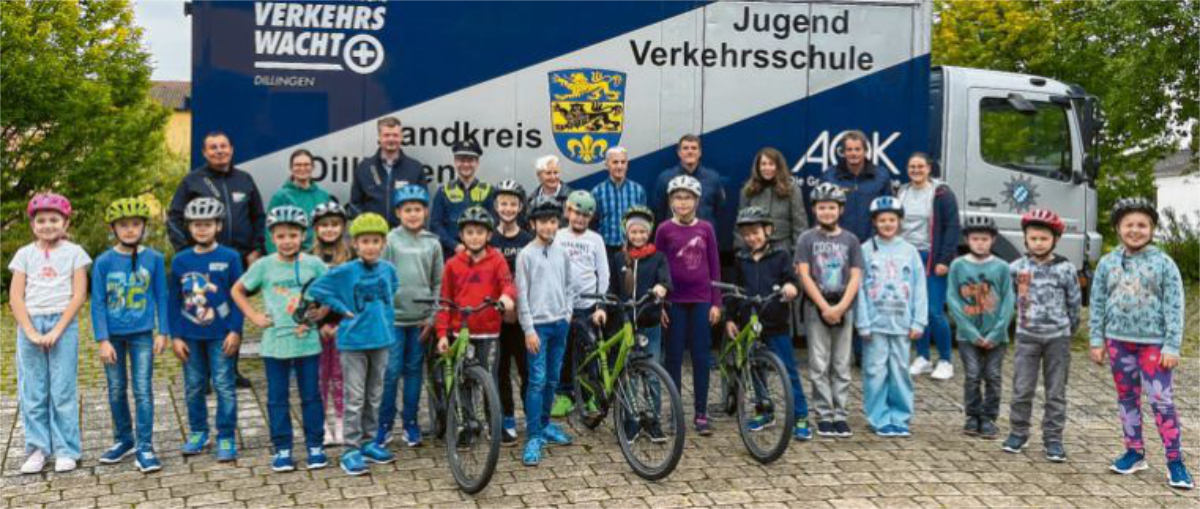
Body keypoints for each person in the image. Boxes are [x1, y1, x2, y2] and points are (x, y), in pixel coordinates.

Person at [1089, 198, 1192, 489]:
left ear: (1152, 229)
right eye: (1129, 225)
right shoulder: (1108, 263)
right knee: (1127, 398)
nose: (1135, 230)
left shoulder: (1164, 263)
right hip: (1118, 343)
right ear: (1118, 228)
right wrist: (1096, 339)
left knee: (1161, 400)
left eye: (1142, 225)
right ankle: (1134, 452)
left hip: (1154, 346)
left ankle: (1175, 461)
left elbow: (1174, 306)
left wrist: (1172, 346)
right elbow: (1097, 303)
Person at [231, 206, 330, 472]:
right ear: (272, 237)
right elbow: (237, 290)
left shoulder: (314, 264)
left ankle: (315, 446)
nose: (287, 241)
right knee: (277, 398)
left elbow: (333, 289)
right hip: (275, 344)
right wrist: (254, 316)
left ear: (303, 236)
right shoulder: (264, 265)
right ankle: (282, 447)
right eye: (281, 236)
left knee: (311, 396)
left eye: (293, 235)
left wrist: (323, 311)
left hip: (307, 342)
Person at [167, 131, 266, 388]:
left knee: (232, 309)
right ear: (204, 152)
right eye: (213, 147)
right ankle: (205, 374)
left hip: (239, 258)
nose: (219, 151)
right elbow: (174, 217)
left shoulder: (245, 179)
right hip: (202, 259)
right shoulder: (192, 181)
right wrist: (186, 251)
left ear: (231, 149)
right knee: (205, 310)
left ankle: (230, 369)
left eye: (223, 146)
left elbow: (259, 217)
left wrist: (257, 249)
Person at [306, 213, 402, 476]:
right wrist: (339, 307)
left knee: (374, 394)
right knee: (355, 396)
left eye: (375, 241)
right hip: (353, 343)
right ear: (355, 244)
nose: (370, 246)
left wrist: (383, 319)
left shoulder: (388, 269)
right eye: (365, 241)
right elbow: (317, 289)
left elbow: (392, 290)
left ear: (383, 243)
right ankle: (350, 448)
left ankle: (369, 441)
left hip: (382, 340)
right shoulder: (346, 271)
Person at [9, 193, 91, 474]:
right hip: (30, 324)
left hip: (63, 324)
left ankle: (67, 449)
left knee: (62, 389)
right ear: (33, 225)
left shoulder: (75, 253)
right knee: (33, 390)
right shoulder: (24, 255)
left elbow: (79, 295)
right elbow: (16, 297)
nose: (47, 225)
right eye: (41, 220)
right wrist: (30, 332)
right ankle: (38, 449)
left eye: (54, 219)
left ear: (65, 223)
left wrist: (57, 329)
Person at [92, 197, 171, 472]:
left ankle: (145, 447)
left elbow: (162, 295)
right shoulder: (103, 262)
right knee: (116, 389)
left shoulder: (154, 259)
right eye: (123, 225)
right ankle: (124, 440)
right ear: (113, 228)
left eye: (135, 224)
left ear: (143, 227)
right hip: (112, 337)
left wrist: (163, 332)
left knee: (143, 390)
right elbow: (97, 302)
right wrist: (102, 340)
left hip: (142, 336)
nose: (129, 230)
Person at [1003, 209, 1082, 460]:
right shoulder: (1016, 268)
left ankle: (1053, 439)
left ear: (1055, 240)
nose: (1038, 243)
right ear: (1025, 239)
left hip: (1057, 338)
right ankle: (1018, 432)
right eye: (1033, 238)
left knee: (1055, 391)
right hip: (1026, 337)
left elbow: (1074, 302)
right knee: (1022, 388)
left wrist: (1070, 329)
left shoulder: (1066, 269)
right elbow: (1007, 298)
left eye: (1044, 238)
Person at [169, 197, 243, 463]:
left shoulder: (230, 257)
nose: (202, 229)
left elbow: (239, 297)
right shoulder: (180, 260)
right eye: (196, 225)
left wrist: (235, 331)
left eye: (207, 224)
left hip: (221, 335)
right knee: (193, 386)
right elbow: (173, 300)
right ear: (189, 228)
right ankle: (199, 432)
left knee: (224, 385)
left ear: (218, 226)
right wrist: (175, 336)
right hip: (190, 336)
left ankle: (226, 435)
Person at [726, 207, 809, 441]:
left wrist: (791, 287)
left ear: (768, 230)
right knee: (755, 369)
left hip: (775, 323)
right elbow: (735, 291)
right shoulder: (741, 259)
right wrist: (730, 318)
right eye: (747, 234)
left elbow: (791, 280)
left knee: (788, 371)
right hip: (750, 323)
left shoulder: (780, 255)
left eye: (756, 232)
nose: (751, 238)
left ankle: (801, 417)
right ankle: (764, 411)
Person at [655, 175, 722, 436]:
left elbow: (715, 266)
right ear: (671, 201)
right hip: (674, 302)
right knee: (673, 357)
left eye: (688, 198)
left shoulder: (706, 228)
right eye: (678, 198)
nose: (682, 203)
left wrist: (716, 302)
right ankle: (675, 413)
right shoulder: (664, 230)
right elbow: (658, 267)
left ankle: (701, 413)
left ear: (696, 201)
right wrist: (660, 305)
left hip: (701, 300)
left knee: (701, 358)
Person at [854, 197, 926, 438]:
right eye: (882, 220)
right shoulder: (865, 250)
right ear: (874, 222)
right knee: (875, 372)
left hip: (902, 324)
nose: (887, 224)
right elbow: (859, 288)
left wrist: (919, 321)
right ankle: (879, 418)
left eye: (892, 220)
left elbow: (919, 288)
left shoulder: (910, 251)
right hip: (875, 324)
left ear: (899, 221)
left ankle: (900, 417)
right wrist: (863, 322)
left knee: (900, 371)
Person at [377, 185, 443, 449]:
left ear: (425, 212)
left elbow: (438, 282)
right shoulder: (390, 241)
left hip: (421, 321)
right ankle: (384, 424)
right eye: (407, 210)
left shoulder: (433, 242)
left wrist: (433, 316)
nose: (413, 214)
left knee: (414, 371)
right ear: (398, 213)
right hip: (394, 320)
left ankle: (411, 423)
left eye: (417, 209)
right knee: (391, 371)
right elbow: (381, 278)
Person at [795, 183, 862, 439]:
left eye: (831, 207)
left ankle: (840, 414)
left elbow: (856, 276)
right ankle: (824, 414)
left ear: (840, 209)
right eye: (822, 207)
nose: (827, 212)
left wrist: (842, 306)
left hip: (844, 307)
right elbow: (804, 275)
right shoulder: (806, 239)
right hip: (817, 308)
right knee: (819, 363)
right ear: (814, 210)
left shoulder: (851, 240)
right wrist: (824, 307)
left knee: (842, 364)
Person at [819, 131, 891, 365]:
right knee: (836, 297)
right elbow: (821, 210)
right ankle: (836, 356)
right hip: (837, 247)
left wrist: (880, 242)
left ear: (865, 150)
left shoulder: (880, 176)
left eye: (857, 149)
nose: (853, 154)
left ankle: (862, 354)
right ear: (843, 151)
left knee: (867, 300)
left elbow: (887, 213)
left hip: (871, 247)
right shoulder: (830, 175)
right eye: (849, 149)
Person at [515, 195, 575, 466]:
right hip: (537, 327)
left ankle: (546, 423)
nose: (548, 226)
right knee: (537, 381)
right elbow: (522, 296)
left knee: (552, 379)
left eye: (552, 221)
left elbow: (569, 286)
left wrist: (567, 314)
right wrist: (528, 330)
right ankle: (534, 435)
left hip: (559, 324)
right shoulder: (526, 255)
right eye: (543, 222)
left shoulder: (562, 253)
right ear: (533, 224)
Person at [946, 216, 1015, 441]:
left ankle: (989, 417)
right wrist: (971, 333)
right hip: (967, 336)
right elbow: (953, 299)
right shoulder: (958, 265)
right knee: (973, 375)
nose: (980, 243)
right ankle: (972, 415)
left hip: (997, 336)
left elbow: (1008, 301)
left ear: (993, 240)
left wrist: (997, 332)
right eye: (975, 239)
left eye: (984, 239)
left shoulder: (1002, 267)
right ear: (967, 240)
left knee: (993, 376)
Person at [608, 205, 672, 442]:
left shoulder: (658, 257)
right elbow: (613, 288)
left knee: (652, 374)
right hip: (627, 325)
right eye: (633, 232)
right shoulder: (619, 258)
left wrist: (661, 287)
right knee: (630, 375)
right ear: (627, 233)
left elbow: (666, 280)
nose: (638, 236)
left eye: (643, 232)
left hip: (650, 324)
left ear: (649, 232)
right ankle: (631, 421)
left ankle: (653, 420)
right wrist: (605, 308)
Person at [897, 153, 960, 381]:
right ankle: (923, 357)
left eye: (920, 166)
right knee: (915, 311)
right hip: (907, 258)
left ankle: (945, 360)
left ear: (929, 168)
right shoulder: (901, 192)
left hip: (932, 258)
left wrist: (944, 260)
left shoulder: (941, 193)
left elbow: (952, 227)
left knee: (934, 311)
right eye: (912, 166)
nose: (916, 170)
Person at [435, 206, 517, 377]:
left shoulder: (497, 260)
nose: (474, 237)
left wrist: (506, 297)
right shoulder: (452, 264)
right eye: (469, 232)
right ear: (461, 235)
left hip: (489, 333)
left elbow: (507, 284)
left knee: (490, 380)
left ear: (489, 235)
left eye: (480, 232)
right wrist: (442, 334)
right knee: (461, 378)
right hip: (460, 333)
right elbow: (444, 300)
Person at [551, 190, 609, 419]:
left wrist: (600, 305)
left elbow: (603, 274)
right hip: (561, 306)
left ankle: (590, 394)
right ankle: (564, 394)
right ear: (567, 211)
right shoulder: (557, 236)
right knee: (563, 352)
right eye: (576, 213)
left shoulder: (595, 239)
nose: (580, 219)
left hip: (587, 307)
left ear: (591, 217)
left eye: (585, 215)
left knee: (589, 352)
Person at [490, 180, 535, 445]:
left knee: (526, 369)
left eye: (513, 204)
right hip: (495, 317)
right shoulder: (489, 238)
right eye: (503, 203)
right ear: (496, 206)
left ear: (520, 207)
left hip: (521, 316)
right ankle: (507, 417)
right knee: (501, 370)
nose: (508, 208)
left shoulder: (527, 240)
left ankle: (530, 416)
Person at [309, 200, 354, 445]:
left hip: (343, 327)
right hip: (316, 329)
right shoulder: (307, 258)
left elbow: (352, 293)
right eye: (324, 225)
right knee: (319, 377)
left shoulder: (351, 257)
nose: (329, 229)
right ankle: (322, 424)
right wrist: (320, 324)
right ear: (316, 228)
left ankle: (340, 420)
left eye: (334, 224)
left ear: (342, 227)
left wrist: (338, 323)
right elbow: (306, 295)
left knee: (340, 375)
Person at [349, 116, 428, 227]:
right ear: (379, 137)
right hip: (373, 233)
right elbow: (355, 204)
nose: (391, 139)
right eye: (386, 135)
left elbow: (423, 204)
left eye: (395, 135)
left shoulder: (415, 168)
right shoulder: (364, 168)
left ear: (401, 137)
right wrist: (367, 227)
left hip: (404, 233)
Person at [430, 138, 494, 255]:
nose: (465, 164)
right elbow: (435, 225)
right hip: (451, 254)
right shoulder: (443, 191)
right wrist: (454, 245)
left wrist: (479, 245)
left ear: (477, 163)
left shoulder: (489, 191)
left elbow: (494, 223)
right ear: (455, 162)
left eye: (470, 160)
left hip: (481, 253)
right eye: (461, 160)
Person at [737, 148, 808, 253]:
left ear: (778, 167)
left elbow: (800, 225)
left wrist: (798, 253)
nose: (767, 168)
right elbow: (740, 225)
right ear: (758, 167)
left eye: (771, 164)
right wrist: (740, 250)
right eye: (763, 164)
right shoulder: (748, 190)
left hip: (783, 247)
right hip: (755, 249)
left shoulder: (791, 190)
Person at [651, 135, 726, 230]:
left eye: (694, 148)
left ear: (700, 153)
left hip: (704, 236)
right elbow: (658, 211)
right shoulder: (665, 178)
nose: (690, 151)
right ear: (679, 153)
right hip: (674, 236)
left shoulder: (713, 178)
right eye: (685, 148)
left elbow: (719, 209)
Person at [266, 149, 333, 253]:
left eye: (306, 165)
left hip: (319, 253)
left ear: (313, 167)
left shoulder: (323, 196)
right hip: (291, 254)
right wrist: (275, 257)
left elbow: (331, 226)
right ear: (291, 168)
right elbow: (269, 230)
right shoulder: (280, 197)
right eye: (298, 165)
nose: (302, 168)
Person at [591, 146, 648, 257]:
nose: (619, 166)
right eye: (615, 162)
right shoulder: (597, 192)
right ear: (607, 164)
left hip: (633, 248)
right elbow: (593, 224)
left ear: (627, 164)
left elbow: (643, 221)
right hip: (606, 250)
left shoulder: (638, 190)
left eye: (623, 162)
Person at [528, 155, 572, 223]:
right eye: (548, 173)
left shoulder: (571, 198)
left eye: (556, 173)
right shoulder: (531, 200)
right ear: (539, 175)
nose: (553, 177)